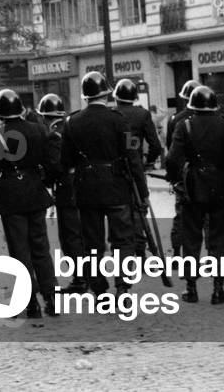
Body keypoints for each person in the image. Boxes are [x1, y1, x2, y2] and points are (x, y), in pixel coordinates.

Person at [61, 72, 138, 295]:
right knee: (123, 240)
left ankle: (100, 291)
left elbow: (65, 161)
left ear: (85, 97)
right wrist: (140, 191)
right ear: (106, 94)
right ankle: (123, 287)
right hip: (117, 187)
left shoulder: (71, 123)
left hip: (86, 188)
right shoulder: (120, 120)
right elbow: (132, 155)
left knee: (92, 244)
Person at [0, 89, 59, 317]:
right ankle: (51, 297)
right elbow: (51, 165)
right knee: (41, 249)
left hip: (11, 196)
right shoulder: (39, 130)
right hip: (35, 191)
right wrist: (41, 181)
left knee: (20, 251)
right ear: (21, 109)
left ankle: (30, 303)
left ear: (0, 113)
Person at [165, 86, 224, 304]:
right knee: (221, 238)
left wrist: (177, 179)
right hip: (222, 185)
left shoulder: (184, 125)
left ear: (192, 106)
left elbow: (171, 159)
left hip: (193, 186)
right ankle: (218, 288)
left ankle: (191, 288)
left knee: (191, 237)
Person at [36, 93, 84, 291]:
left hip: (66, 188)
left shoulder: (53, 135)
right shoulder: (74, 127)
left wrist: (45, 179)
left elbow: (56, 166)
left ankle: (80, 279)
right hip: (82, 185)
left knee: (70, 237)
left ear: (45, 116)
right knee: (83, 234)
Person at [113, 79, 162, 257]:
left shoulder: (112, 113)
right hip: (136, 167)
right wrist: (147, 162)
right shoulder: (142, 115)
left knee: (120, 212)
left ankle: (125, 252)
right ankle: (139, 250)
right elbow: (156, 146)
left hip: (115, 170)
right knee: (139, 208)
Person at [165, 79, 200, 259]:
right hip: (203, 174)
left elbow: (171, 149)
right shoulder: (210, 118)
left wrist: (172, 176)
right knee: (207, 217)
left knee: (181, 215)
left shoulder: (176, 119)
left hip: (182, 174)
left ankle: (178, 254)